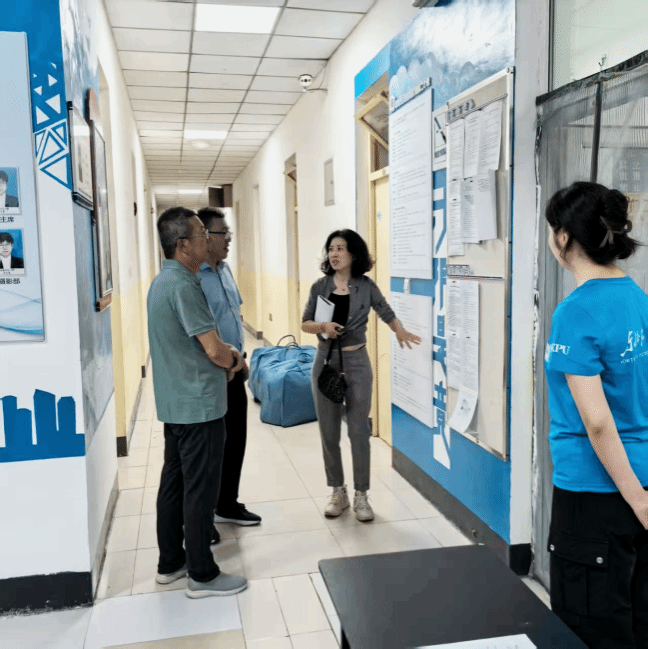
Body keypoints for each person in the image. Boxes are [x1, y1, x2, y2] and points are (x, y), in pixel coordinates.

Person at [544, 181, 648, 648]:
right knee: (637, 618)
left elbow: (598, 421)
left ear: (564, 237)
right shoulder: (637, 297)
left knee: (588, 627)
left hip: (594, 494)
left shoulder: (575, 312)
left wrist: (636, 499)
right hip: (640, 480)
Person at [147, 206, 248, 598]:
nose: (208, 239)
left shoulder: (161, 282)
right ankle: (202, 575)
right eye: (201, 233)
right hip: (199, 406)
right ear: (183, 245)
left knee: (173, 484)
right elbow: (213, 349)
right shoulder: (185, 286)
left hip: (176, 405)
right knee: (200, 490)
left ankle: (171, 562)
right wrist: (235, 361)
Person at [302, 230, 421, 522]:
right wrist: (323, 328)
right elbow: (305, 323)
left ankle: (361, 494)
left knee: (358, 432)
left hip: (356, 362)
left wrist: (400, 330)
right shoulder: (320, 286)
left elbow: (384, 310)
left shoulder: (366, 286)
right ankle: (338, 491)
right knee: (329, 432)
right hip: (326, 362)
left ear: (353, 254)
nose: (334, 254)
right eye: (331, 249)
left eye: (340, 248)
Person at [197, 207, 261, 545]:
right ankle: (202, 517)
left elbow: (234, 315)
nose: (229, 240)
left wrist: (241, 359)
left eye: (229, 233)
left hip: (235, 368)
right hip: (211, 375)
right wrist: (227, 361)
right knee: (211, 450)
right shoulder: (194, 278)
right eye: (224, 234)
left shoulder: (224, 270)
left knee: (236, 441)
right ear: (205, 237)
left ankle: (227, 503)